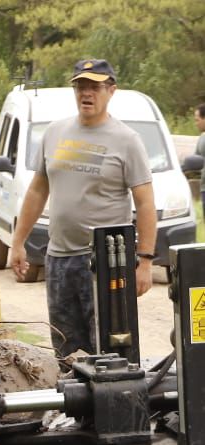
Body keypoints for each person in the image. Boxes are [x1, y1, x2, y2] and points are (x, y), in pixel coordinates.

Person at [10, 59, 155, 359]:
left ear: (111, 91)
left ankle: (117, 406)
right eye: (80, 86)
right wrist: (18, 241)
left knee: (113, 350)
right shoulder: (54, 133)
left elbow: (145, 202)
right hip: (59, 259)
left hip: (106, 263)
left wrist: (145, 261)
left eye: (94, 87)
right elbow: (38, 189)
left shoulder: (127, 140)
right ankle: (73, 406)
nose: (86, 93)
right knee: (66, 349)